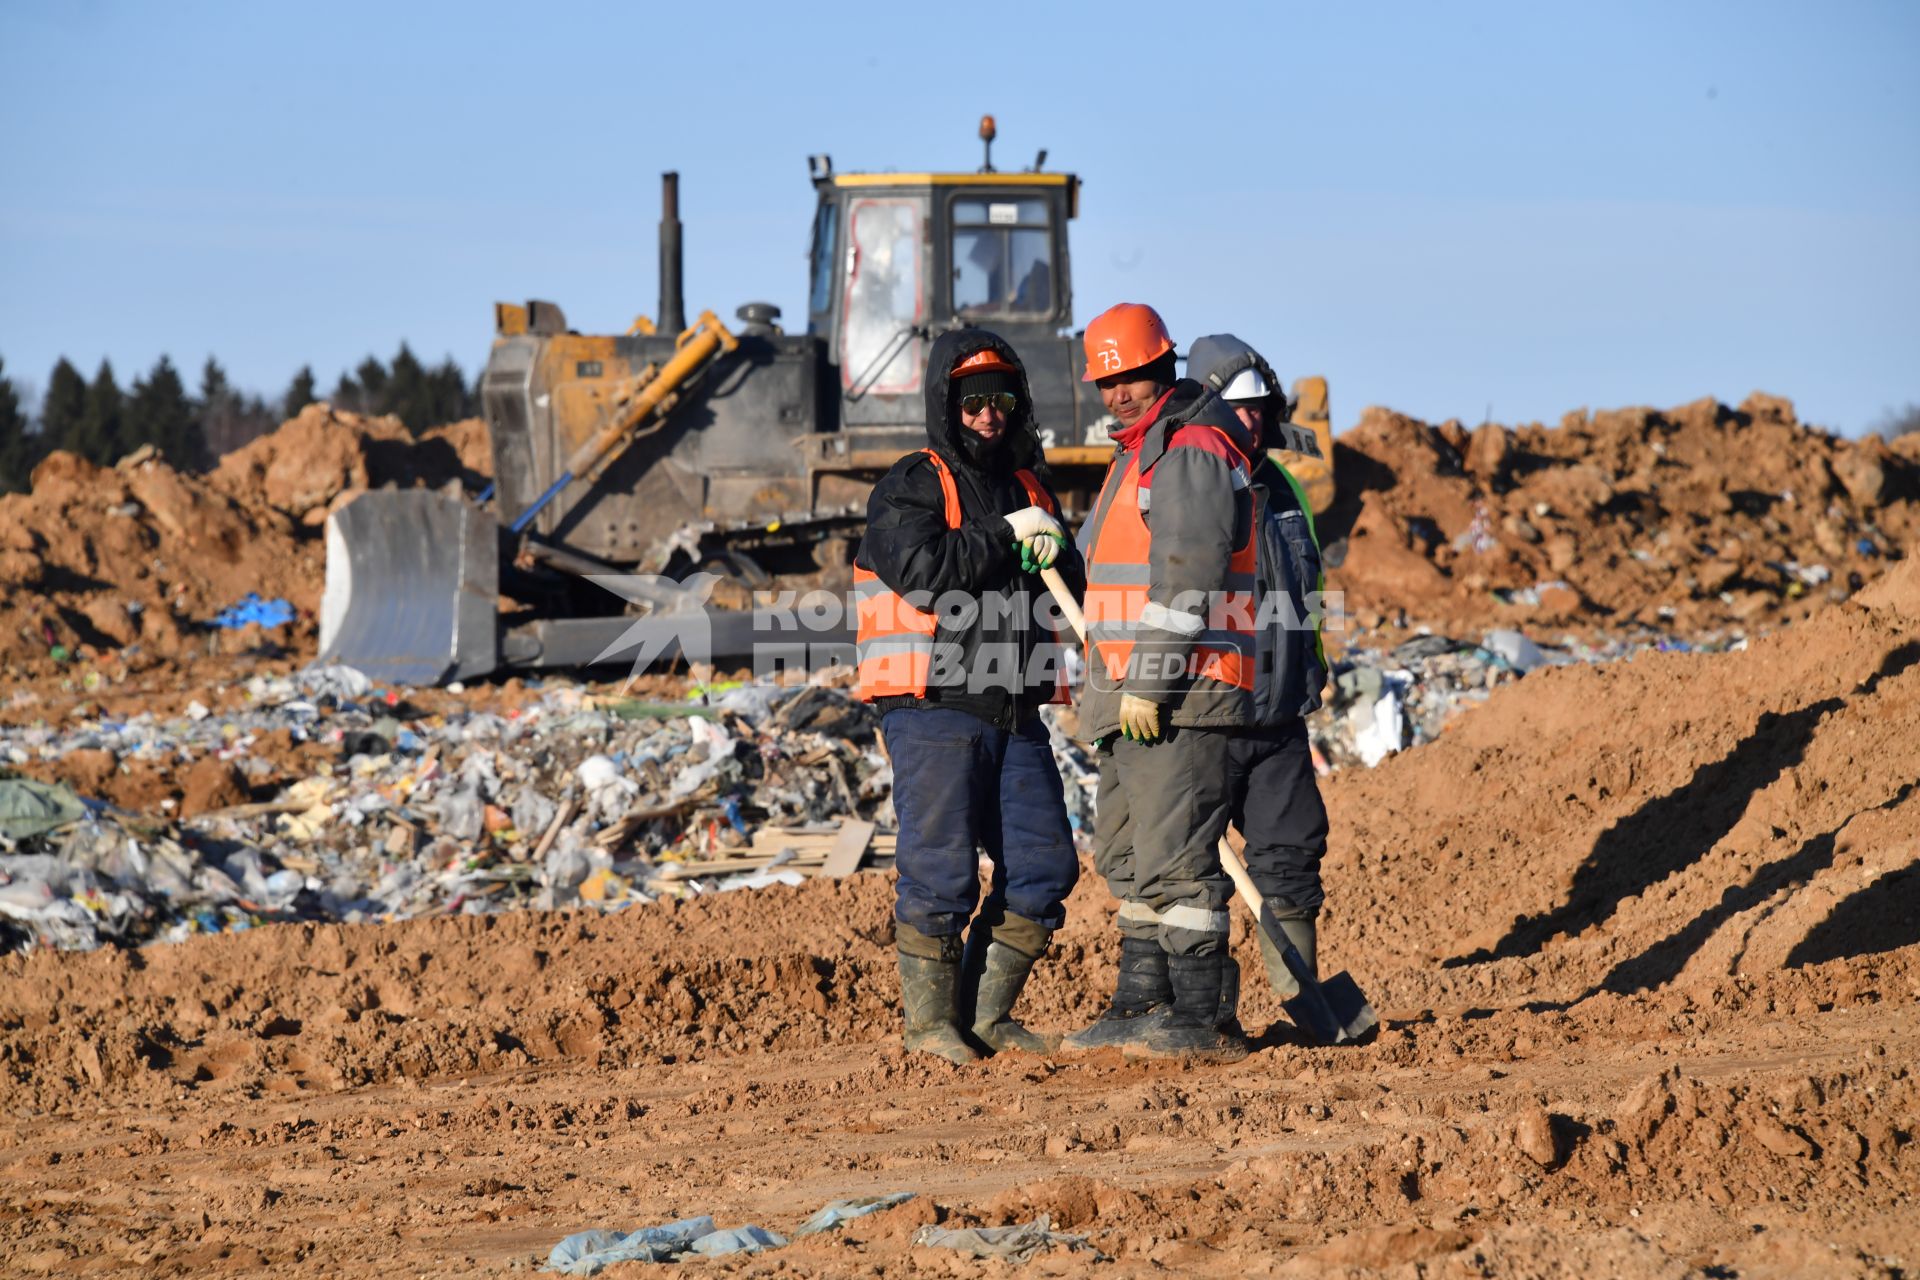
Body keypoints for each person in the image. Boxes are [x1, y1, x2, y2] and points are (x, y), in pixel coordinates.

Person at [855, 330, 1086, 1065]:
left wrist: (1057, 549)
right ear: (948, 405)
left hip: (1014, 712)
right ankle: (928, 1029)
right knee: (941, 873)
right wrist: (1007, 532)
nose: (990, 415)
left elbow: (1066, 590)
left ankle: (984, 1018)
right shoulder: (912, 484)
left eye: (1002, 400)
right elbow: (926, 569)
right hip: (934, 707)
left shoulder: (1031, 487)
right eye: (974, 401)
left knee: (1045, 866)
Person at [1064, 303, 1261, 1063]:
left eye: (1133, 376)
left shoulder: (1190, 450)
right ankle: (1141, 1001)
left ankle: (1202, 1017)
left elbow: (1189, 575)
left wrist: (1150, 682)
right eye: (1107, 381)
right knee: (1129, 854)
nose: (1119, 392)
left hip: (1181, 693)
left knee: (1177, 858)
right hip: (1126, 694)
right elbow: (1109, 580)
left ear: (1166, 367)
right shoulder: (1135, 455)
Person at [1187, 334, 1333, 1023]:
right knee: (1195, 878)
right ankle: (1207, 1016)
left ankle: (1302, 1001)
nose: (1253, 421)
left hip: (1278, 717)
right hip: (1209, 717)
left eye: (1260, 408)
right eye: (1240, 409)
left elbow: (1308, 591)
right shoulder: (1191, 480)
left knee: (1292, 857)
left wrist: (1315, 671)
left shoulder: (1284, 487)